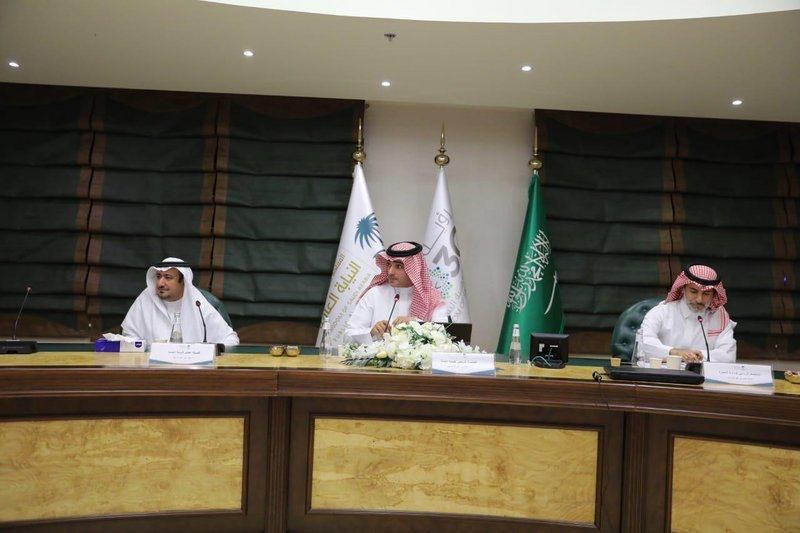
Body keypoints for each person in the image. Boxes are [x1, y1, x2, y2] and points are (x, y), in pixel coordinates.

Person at [121, 257, 239, 346]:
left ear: (183, 281)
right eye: (158, 276)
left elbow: (230, 339)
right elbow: (128, 336)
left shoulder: (199, 304)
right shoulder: (146, 299)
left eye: (168, 277)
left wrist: (208, 352)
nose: (160, 283)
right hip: (152, 368)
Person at [345, 241, 448, 344]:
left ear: (414, 270)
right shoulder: (374, 294)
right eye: (389, 265)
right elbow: (347, 337)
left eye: (398, 266)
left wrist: (415, 323)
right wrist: (370, 332)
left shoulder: (432, 299)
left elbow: (444, 336)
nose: (390, 272)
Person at [639, 264, 735, 363]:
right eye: (693, 292)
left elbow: (728, 355)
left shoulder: (720, 317)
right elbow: (644, 344)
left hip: (702, 372)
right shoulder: (661, 312)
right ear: (683, 289)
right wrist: (675, 352)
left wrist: (696, 356)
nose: (699, 299)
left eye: (706, 294)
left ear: (713, 294)